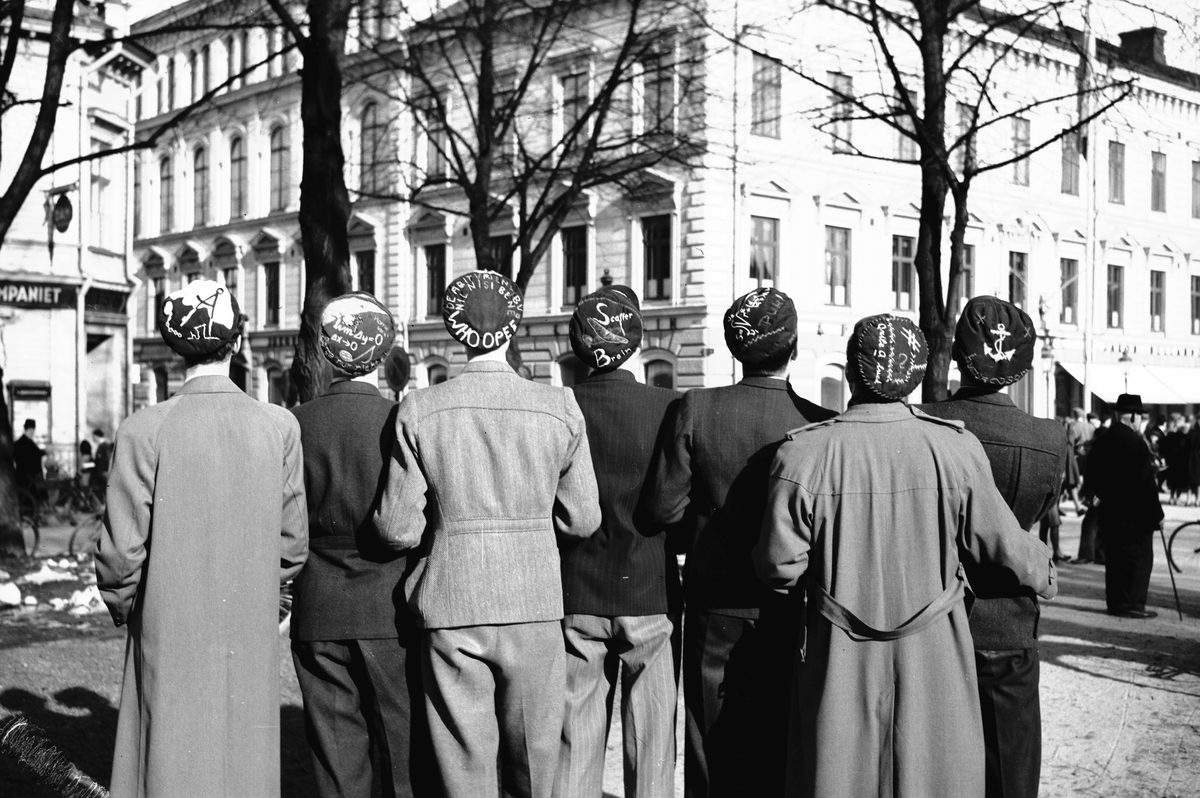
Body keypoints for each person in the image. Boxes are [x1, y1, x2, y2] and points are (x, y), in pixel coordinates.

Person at [754, 313, 1057, 798]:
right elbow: (1003, 545)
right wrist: (1045, 571)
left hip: (840, 652)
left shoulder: (804, 454)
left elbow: (778, 566)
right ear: (915, 379)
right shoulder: (955, 448)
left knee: (838, 773)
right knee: (932, 773)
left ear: (850, 375)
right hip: (934, 651)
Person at [374, 270, 601, 798]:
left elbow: (396, 527)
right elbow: (583, 518)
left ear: (455, 330)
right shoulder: (560, 406)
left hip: (451, 599)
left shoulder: (420, 408)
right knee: (535, 768)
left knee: (463, 769)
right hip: (533, 600)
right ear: (512, 327)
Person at [96, 279, 309, 798]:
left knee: (169, 760)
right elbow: (292, 544)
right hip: (248, 620)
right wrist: (268, 596)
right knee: (243, 762)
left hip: (167, 620)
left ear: (174, 346)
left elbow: (120, 557)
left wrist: (127, 605)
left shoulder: (143, 429)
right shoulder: (279, 426)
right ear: (236, 341)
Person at [650, 287, 835, 798]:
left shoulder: (697, 407)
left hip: (715, 602)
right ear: (794, 348)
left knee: (711, 742)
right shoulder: (819, 421)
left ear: (734, 349)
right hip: (791, 603)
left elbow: (664, 507)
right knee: (783, 736)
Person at [918, 296, 1068, 798]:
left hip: (934, 619)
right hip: (1009, 621)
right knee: (1009, 775)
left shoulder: (925, 422)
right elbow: (1042, 511)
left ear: (959, 355)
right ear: (1021, 368)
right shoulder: (1048, 438)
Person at [290, 293, 433, 798]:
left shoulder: (296, 423)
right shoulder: (404, 419)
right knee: (403, 757)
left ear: (327, 352)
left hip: (318, 605)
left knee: (336, 762)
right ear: (385, 352)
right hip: (389, 606)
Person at [554, 286, 682, 798]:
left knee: (574, 741)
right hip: (651, 588)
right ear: (638, 341)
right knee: (652, 744)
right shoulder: (669, 407)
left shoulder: (560, 406)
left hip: (576, 589)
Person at [1085, 393, 1164, 618]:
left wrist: (1107, 496)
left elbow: (1091, 476)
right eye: (1140, 417)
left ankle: (1116, 603)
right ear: (1133, 416)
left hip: (1112, 513)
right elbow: (1146, 484)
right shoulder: (1136, 442)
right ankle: (1131, 605)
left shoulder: (1104, 439)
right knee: (1138, 561)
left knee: (1115, 561)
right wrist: (1157, 514)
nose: (1140, 421)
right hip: (1137, 516)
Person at [13, 419, 45, 515]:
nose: (32, 432)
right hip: (26, 476)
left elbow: (35, 454)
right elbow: (26, 459)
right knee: (31, 496)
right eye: (30, 430)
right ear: (26, 430)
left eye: (33, 430)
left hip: (31, 475)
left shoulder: (29, 442)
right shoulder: (21, 443)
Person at [1064, 408, 1093, 515]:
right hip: (1089, 455)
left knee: (1073, 480)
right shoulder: (1091, 426)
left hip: (1077, 456)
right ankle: (1086, 501)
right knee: (1087, 479)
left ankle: (1078, 505)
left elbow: (1071, 441)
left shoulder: (1074, 426)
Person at [90, 428, 112, 499]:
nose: (93, 438)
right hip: (101, 472)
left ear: (96, 436)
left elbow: (107, 459)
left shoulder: (104, 447)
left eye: (93, 436)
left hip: (103, 472)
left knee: (105, 491)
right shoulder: (101, 446)